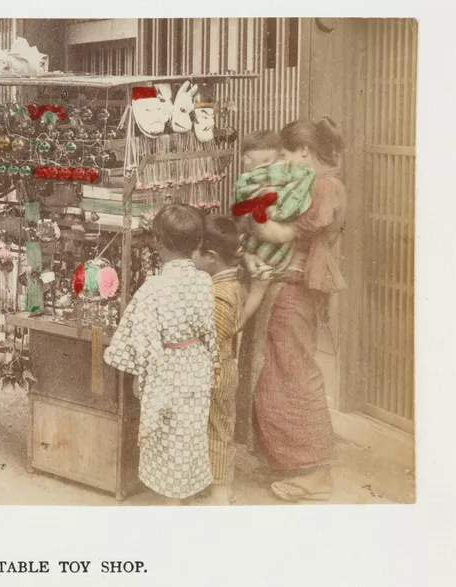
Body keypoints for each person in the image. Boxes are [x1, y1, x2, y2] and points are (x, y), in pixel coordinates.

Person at [237, 117, 347, 502]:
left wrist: (252, 210)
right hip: (292, 285)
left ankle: (314, 473)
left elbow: (279, 233)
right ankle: (293, 463)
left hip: (295, 289)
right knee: (281, 373)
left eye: (285, 155)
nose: (282, 163)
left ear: (303, 151)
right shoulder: (321, 182)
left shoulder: (324, 186)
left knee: (292, 375)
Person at [104, 204, 219, 505]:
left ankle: (172, 504)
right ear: (197, 243)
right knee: (189, 434)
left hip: (166, 368)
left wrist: (141, 376)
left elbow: (143, 338)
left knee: (166, 437)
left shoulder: (153, 287)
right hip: (196, 366)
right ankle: (182, 495)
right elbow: (209, 331)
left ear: (157, 242)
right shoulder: (204, 281)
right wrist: (212, 364)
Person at [233, 130, 317, 325]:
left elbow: (242, 211)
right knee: (258, 290)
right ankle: (239, 324)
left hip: (257, 248)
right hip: (279, 253)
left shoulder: (249, 180)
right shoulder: (296, 176)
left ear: (246, 159)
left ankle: (237, 325)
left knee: (254, 291)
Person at [192, 215, 244, 505]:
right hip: (221, 365)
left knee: (217, 429)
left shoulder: (219, 292)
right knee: (216, 426)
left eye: (195, 252)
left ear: (211, 257)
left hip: (217, 368)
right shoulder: (230, 282)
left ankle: (220, 491)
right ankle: (217, 485)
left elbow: (213, 335)